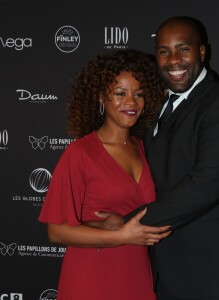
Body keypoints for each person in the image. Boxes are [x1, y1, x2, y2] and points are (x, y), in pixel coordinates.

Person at [87, 17, 219, 300]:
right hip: (167, 272)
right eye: (163, 51)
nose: (173, 60)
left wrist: (125, 223)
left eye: (182, 49)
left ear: (202, 52)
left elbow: (205, 185)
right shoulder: (152, 106)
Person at [38, 49, 171, 300]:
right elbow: (56, 232)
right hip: (92, 276)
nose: (131, 103)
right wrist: (121, 235)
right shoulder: (80, 153)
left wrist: (116, 225)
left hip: (136, 273)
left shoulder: (144, 149)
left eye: (139, 94)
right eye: (120, 93)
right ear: (101, 97)